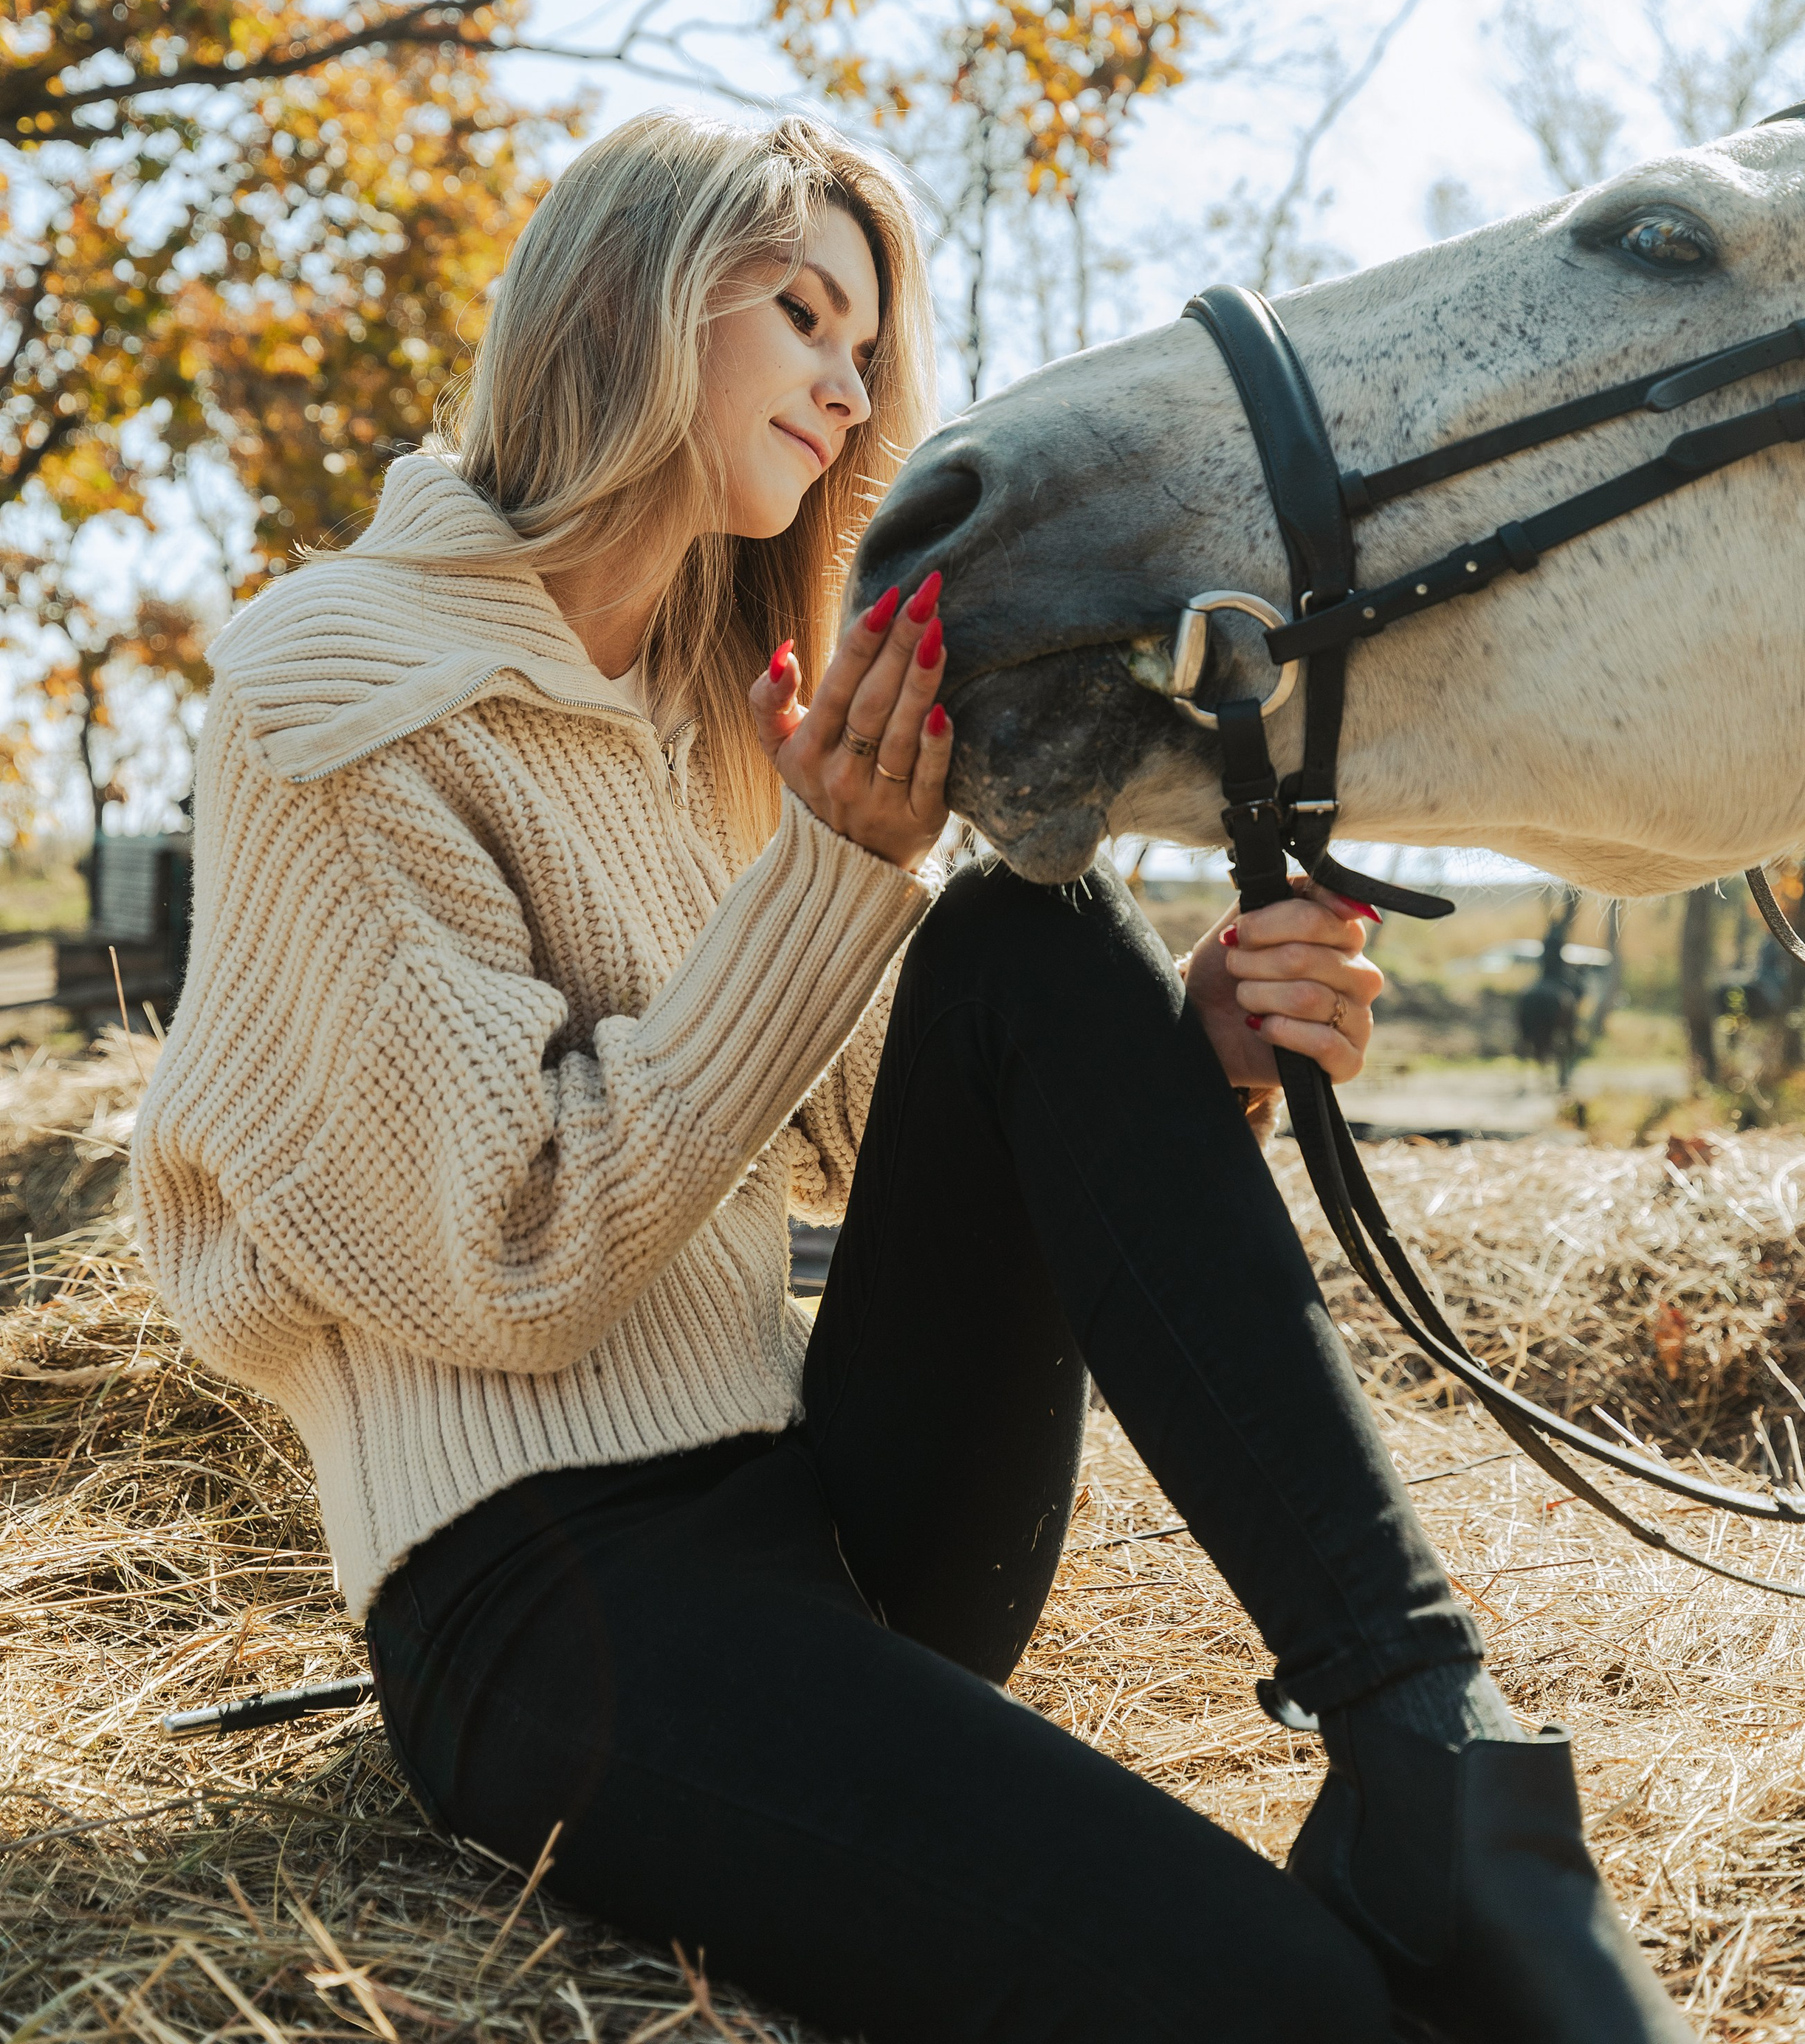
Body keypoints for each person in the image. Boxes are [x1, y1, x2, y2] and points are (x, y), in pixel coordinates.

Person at [133, 111, 1688, 2044]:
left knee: (1027, 939)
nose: (855, 380)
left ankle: (1433, 1742)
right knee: (1305, 2015)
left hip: (831, 1510)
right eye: (801, 309)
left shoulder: (715, 713)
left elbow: (883, 1132)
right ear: (623, 301)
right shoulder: (337, 682)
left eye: (866, 340)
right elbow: (512, 1247)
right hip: (552, 1599)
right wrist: (827, 877)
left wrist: (1181, 1056)